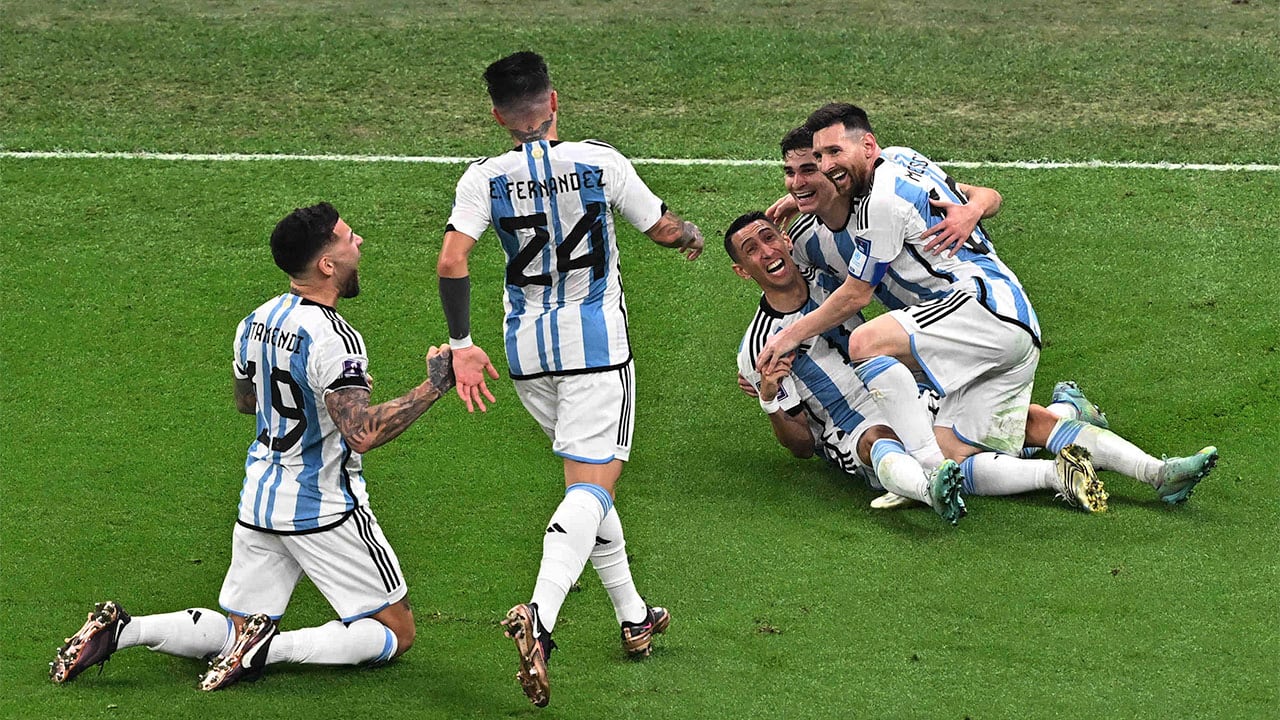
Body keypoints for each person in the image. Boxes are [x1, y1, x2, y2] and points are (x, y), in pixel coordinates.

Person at [50, 203, 456, 691]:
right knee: (396, 631)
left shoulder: (254, 320)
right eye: (349, 239)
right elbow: (362, 432)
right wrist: (434, 385)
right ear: (327, 265)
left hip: (260, 497)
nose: (360, 243)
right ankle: (270, 649)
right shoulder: (334, 338)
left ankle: (129, 631)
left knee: (237, 628)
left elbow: (247, 401)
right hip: (323, 506)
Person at [436, 51, 703, 708]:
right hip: (596, 353)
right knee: (593, 487)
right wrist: (690, 233)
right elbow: (659, 226)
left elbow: (452, 258)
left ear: (498, 115)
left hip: (528, 355)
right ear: (553, 102)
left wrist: (462, 344)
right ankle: (541, 620)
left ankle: (634, 616)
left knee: (588, 487)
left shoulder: (482, 177)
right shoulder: (599, 162)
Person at [771, 123, 1216, 505]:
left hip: (981, 306)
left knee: (867, 345)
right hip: (990, 326)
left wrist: (785, 339)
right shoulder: (825, 227)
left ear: (860, 152)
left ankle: (925, 476)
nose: (810, 176)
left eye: (819, 164)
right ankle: (1154, 470)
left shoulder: (882, 200)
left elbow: (855, 297)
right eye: (793, 172)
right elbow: (984, 193)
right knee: (969, 447)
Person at [727, 211, 1114, 520]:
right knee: (883, 438)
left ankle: (1066, 412)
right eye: (751, 249)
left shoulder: (832, 280)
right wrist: (768, 397)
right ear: (743, 271)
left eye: (769, 237)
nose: (767, 251)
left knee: (985, 431)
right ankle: (932, 489)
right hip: (853, 427)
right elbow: (802, 446)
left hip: (904, 391)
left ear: (786, 240)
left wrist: (803, 198)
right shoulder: (758, 345)